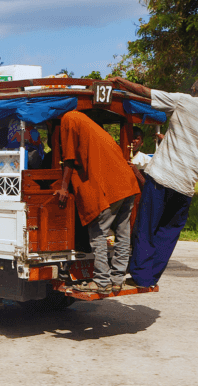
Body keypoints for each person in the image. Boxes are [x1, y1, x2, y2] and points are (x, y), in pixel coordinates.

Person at [109, 76, 198, 288]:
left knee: (147, 226)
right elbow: (191, 140)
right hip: (186, 185)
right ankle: (150, 278)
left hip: (162, 177)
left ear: (193, 89)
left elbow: (144, 91)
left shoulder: (184, 101)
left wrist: (121, 81)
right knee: (167, 234)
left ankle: (140, 276)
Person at [53, 111, 140, 294]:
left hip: (111, 188)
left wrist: (63, 187)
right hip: (127, 183)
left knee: (98, 233)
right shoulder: (89, 125)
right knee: (123, 233)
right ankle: (117, 279)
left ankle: (102, 281)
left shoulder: (69, 119)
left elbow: (68, 159)